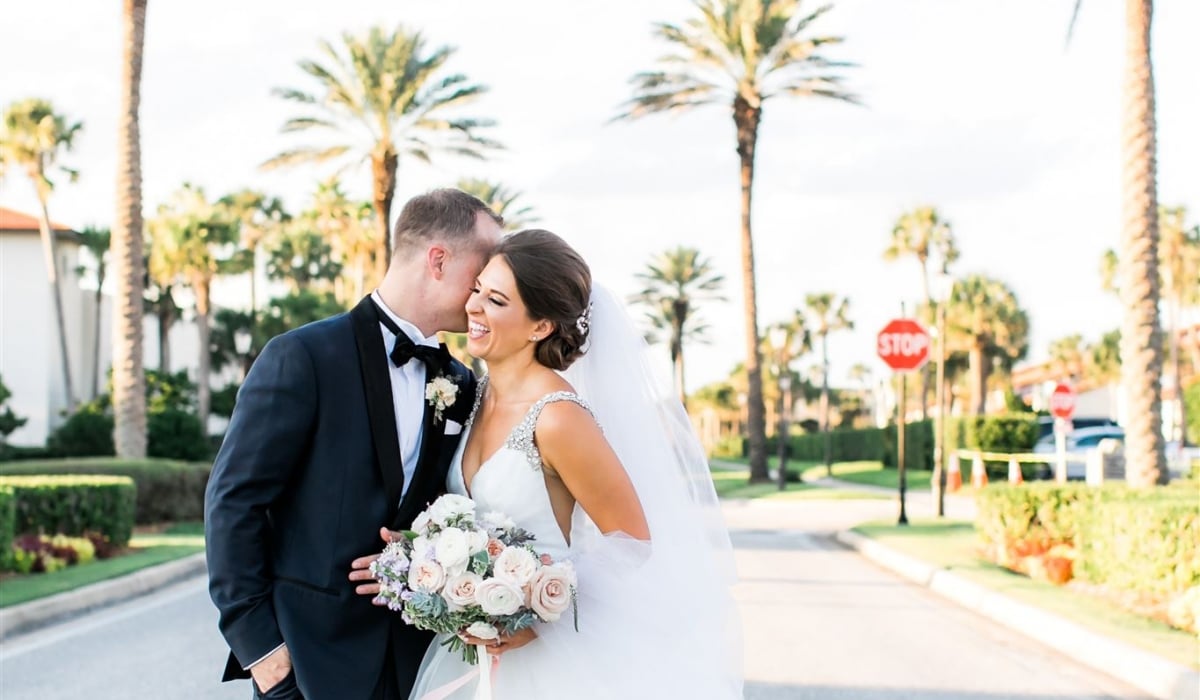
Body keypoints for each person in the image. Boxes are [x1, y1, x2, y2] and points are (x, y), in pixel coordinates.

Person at [401, 229, 743, 699]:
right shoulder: (474, 397)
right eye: (478, 289)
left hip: (546, 662)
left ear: (540, 326)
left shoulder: (558, 417)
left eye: (496, 300)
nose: (473, 307)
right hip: (470, 652)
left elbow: (631, 540)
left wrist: (540, 612)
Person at [205, 188, 504, 699]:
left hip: (422, 664)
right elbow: (234, 504)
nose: (482, 297)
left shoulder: (463, 383)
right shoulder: (302, 357)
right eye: (479, 278)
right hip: (308, 666)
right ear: (438, 261)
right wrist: (265, 657)